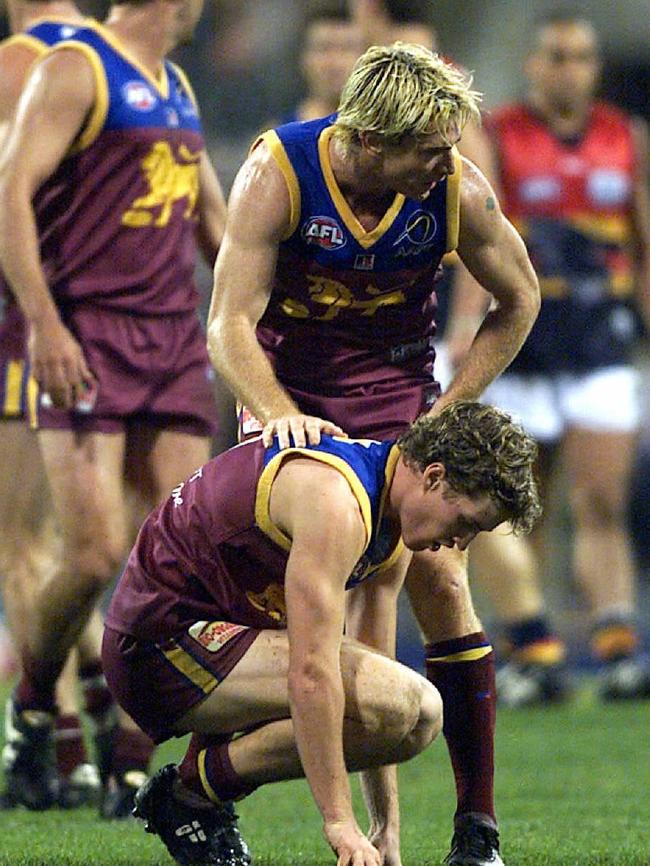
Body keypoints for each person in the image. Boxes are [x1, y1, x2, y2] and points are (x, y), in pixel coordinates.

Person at [208, 42, 540, 866]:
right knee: (285, 608)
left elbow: (520, 297)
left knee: (435, 575)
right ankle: (207, 787)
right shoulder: (278, 172)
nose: (445, 164)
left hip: (397, 397)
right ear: (369, 139)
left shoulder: (456, 190)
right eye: (428, 150)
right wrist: (280, 415)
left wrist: (448, 411)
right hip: (290, 398)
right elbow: (227, 326)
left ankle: (476, 829)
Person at [103, 401, 542, 866]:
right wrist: (340, 825)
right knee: (406, 704)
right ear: (433, 477)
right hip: (158, 646)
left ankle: (197, 788)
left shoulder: (386, 509)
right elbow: (312, 673)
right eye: (466, 523)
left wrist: (385, 828)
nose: (460, 543)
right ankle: (190, 792)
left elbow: (377, 673)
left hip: (222, 638)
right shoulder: (337, 502)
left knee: (418, 717)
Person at [0, 0, 227, 816]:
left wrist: (257, 322)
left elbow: (216, 226)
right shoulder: (77, 69)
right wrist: (45, 322)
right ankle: (33, 704)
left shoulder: (176, 85)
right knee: (94, 554)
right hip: (88, 331)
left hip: (170, 341)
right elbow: (11, 196)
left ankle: (132, 759)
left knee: (171, 561)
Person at [450, 13, 650, 704]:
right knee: (519, 504)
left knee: (601, 502)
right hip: (525, 347)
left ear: (595, 68)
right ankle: (529, 649)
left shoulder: (627, 138)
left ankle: (617, 643)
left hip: (600, 343)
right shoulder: (501, 135)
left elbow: (643, 243)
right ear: (534, 66)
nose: (568, 68)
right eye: (556, 56)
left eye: (581, 57)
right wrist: (466, 330)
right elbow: (481, 245)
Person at [0, 0, 113, 811]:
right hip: (121, 326)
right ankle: (112, 710)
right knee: (86, 551)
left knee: (27, 547)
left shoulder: (19, 62)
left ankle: (60, 740)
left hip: (26, 324)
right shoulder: (129, 62)